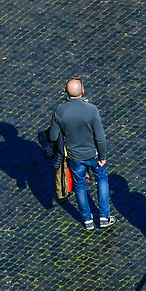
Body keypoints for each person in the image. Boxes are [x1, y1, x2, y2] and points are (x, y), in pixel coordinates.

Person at [47, 77, 111, 229]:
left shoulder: (60, 111)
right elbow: (100, 137)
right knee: (102, 180)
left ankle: (87, 220)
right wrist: (103, 156)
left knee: (80, 186)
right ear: (83, 91)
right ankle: (104, 217)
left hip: (74, 156)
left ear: (65, 91)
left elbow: (53, 137)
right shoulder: (92, 110)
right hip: (94, 154)